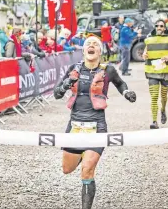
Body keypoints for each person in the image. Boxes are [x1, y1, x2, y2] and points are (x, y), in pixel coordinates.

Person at [53, 35, 137, 209]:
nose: (91, 46)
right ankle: (83, 154)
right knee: (67, 169)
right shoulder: (74, 68)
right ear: (83, 50)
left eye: (95, 45)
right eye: (88, 44)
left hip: (96, 125)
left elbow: (121, 83)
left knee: (87, 170)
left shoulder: (108, 70)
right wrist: (66, 84)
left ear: (100, 51)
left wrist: (127, 92)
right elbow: (56, 94)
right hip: (75, 125)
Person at [142, 19, 168, 129]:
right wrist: (144, 55)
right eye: (157, 26)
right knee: (154, 97)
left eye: (161, 26)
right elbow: (145, 52)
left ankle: (163, 109)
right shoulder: (149, 40)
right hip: (152, 71)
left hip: (166, 71)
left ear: (164, 28)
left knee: (163, 96)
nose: (159, 27)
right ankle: (154, 121)